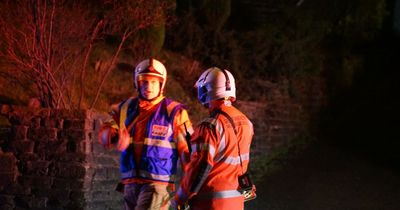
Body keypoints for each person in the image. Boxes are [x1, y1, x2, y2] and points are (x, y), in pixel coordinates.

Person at [98, 58, 193, 210]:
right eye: (144, 81)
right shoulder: (124, 108)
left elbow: (188, 152)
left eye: (154, 82)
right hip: (130, 184)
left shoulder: (175, 112)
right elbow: (104, 132)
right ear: (137, 83)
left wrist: (188, 189)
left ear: (161, 84)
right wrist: (114, 137)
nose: (149, 86)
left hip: (158, 186)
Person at [172, 67, 254, 210]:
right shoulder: (247, 123)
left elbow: (200, 167)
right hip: (236, 203)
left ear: (207, 91)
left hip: (210, 203)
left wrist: (180, 198)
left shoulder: (209, 126)